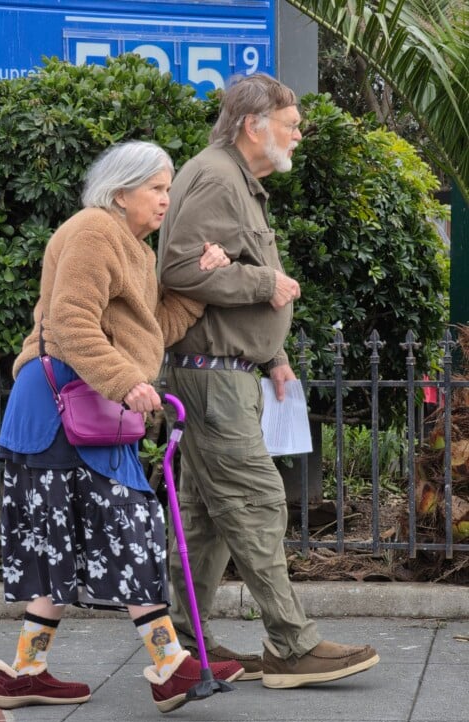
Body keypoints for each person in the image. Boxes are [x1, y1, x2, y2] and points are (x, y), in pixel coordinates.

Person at [0, 140, 243, 715]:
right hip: (63, 406)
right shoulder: (91, 231)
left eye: (167, 187)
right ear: (120, 191)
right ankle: (171, 663)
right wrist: (126, 382)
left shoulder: (133, 249)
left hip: (87, 407)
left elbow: (153, 328)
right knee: (130, 527)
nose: (165, 198)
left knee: (76, 539)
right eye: (157, 187)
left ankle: (26, 672)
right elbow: (70, 322)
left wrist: (198, 285)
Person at [158, 73, 380, 688]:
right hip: (210, 380)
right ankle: (291, 644)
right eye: (292, 124)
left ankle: (182, 645)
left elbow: (222, 274)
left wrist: (272, 356)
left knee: (205, 518)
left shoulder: (234, 180)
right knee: (256, 501)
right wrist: (262, 284)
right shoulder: (215, 177)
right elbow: (178, 267)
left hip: (223, 373)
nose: (299, 135)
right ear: (255, 125)